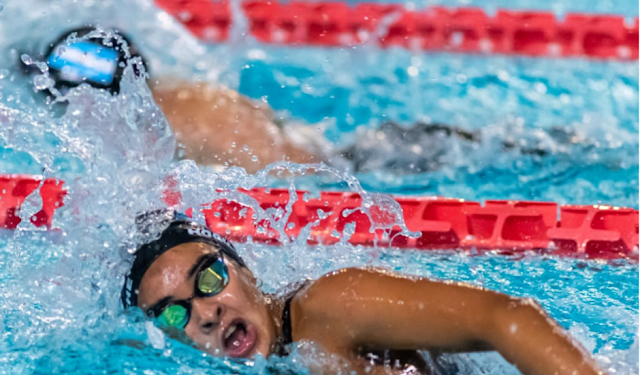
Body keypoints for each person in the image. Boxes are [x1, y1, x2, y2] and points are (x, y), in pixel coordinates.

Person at [121, 211, 639, 375]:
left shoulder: (327, 307)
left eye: (209, 279)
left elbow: (507, 318)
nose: (205, 312)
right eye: (174, 313)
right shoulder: (265, 370)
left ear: (245, 270)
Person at [21, 26, 569, 175]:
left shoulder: (165, 120)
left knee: (509, 153)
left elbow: (288, 172)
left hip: (347, 170)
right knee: (516, 148)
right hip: (353, 151)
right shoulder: (173, 92)